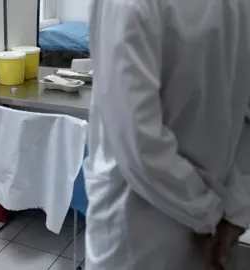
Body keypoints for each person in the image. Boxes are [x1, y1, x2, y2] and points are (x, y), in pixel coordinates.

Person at [84, 0, 250, 269]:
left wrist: (211, 213)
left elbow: (137, 143)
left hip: (136, 233)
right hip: (212, 231)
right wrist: (234, 211)